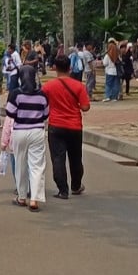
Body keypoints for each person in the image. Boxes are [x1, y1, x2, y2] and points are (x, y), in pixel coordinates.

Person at [42, 55, 91, 200]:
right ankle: (76, 185)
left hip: (56, 125)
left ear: (55, 68)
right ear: (70, 67)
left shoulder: (48, 87)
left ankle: (63, 190)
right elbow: (85, 107)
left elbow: (43, 104)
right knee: (76, 158)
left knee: (58, 158)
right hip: (75, 126)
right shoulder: (78, 86)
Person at [6, 66, 50, 211]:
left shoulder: (15, 94)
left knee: (20, 163)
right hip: (37, 131)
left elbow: (10, 113)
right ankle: (35, 199)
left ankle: (22, 196)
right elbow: (45, 114)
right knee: (37, 165)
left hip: (20, 131)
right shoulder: (42, 95)